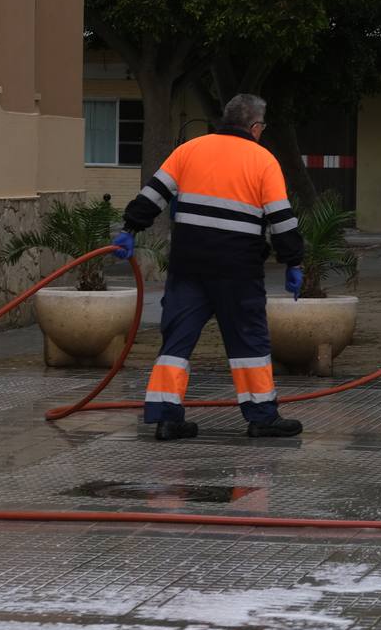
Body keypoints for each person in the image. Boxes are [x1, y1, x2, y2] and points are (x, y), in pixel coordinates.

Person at [110, 94, 306, 441]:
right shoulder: (263, 160)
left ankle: (166, 417)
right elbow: (281, 218)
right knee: (249, 341)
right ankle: (261, 416)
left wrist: (129, 229)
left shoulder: (190, 150)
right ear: (256, 127)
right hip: (238, 270)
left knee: (177, 339)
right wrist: (293, 262)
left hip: (189, 266)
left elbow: (153, 194)